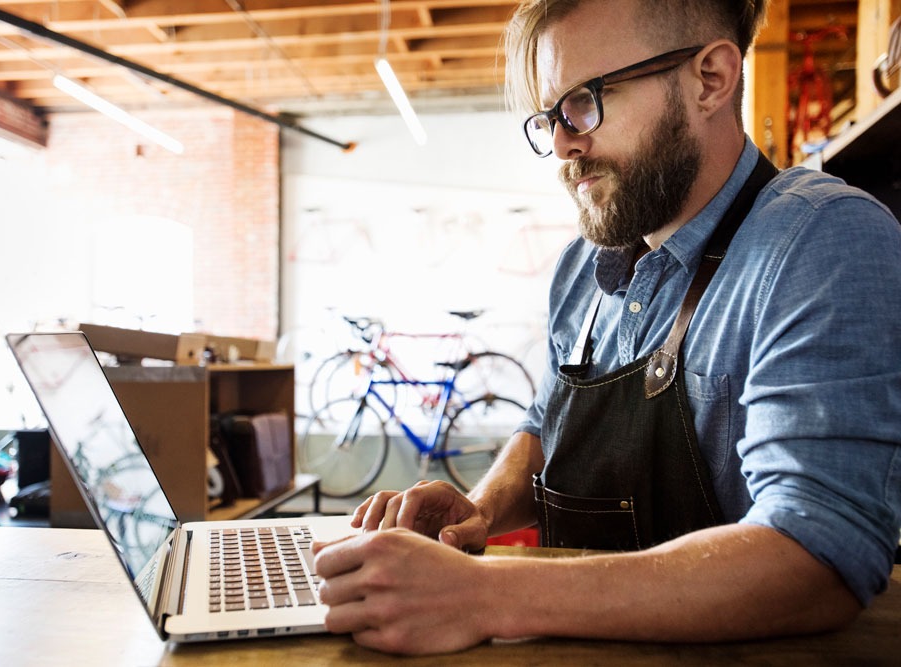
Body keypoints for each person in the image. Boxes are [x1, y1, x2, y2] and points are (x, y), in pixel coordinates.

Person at [312, 0, 901, 655]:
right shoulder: (581, 271)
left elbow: (817, 556)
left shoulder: (822, 242)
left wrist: (484, 593)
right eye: (548, 117)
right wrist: (479, 510)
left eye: (585, 101)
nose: (562, 142)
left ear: (711, 78)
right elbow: (545, 427)